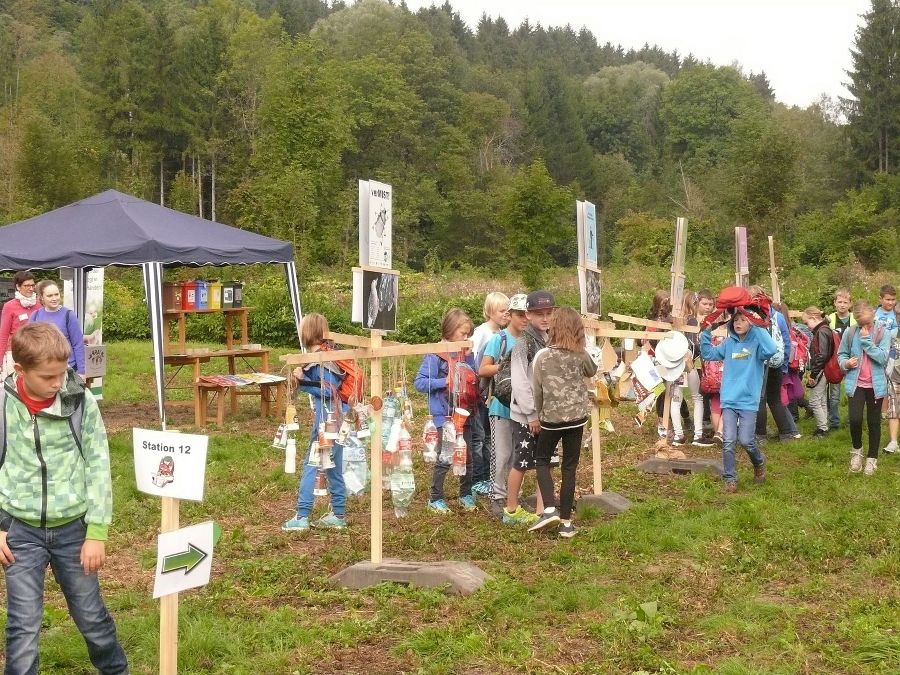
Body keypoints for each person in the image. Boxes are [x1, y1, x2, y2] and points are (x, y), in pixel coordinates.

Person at [0, 322, 128, 673]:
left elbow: (98, 465)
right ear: (20, 369)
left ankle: (116, 670)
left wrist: (97, 532)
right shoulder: (2, 405)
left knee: (91, 617)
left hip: (75, 530)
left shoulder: (80, 402)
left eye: (63, 373)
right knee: (22, 626)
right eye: (47, 377)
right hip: (20, 532)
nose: (58, 384)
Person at [527, 307, 597, 538]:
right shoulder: (580, 354)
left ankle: (549, 508)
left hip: (551, 419)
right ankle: (566, 522)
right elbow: (591, 370)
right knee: (570, 467)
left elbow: (536, 390)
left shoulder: (543, 356)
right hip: (577, 418)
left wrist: (536, 415)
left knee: (542, 459)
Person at [700, 304, 777, 493]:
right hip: (729, 400)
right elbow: (708, 353)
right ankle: (730, 479)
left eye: (743, 320)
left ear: (750, 323)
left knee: (746, 440)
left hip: (748, 400)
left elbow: (772, 350)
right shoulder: (729, 344)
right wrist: (706, 333)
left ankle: (758, 462)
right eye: (736, 320)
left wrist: (758, 326)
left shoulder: (757, 344)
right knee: (728, 442)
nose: (738, 323)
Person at [282, 313, 348, 532]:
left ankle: (302, 515)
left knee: (312, 464)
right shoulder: (331, 355)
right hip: (337, 422)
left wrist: (301, 382)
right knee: (333, 467)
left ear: (307, 332)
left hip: (327, 423)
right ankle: (338, 513)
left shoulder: (322, 359)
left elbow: (329, 390)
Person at [414, 309, 476, 514]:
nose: (466, 338)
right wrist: (444, 381)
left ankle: (466, 493)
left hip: (464, 412)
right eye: (462, 334)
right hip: (444, 415)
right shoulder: (435, 355)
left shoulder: (465, 354)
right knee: (445, 456)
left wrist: (470, 358)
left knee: (467, 454)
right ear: (450, 331)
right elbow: (420, 383)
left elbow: (472, 377)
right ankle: (435, 497)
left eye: (468, 334)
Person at [478, 294, 532, 522]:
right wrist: (508, 367)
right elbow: (483, 369)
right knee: (501, 454)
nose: (525, 319)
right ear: (510, 315)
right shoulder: (498, 340)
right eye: (520, 315)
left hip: (524, 409)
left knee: (518, 456)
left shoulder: (532, 340)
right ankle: (497, 497)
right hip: (500, 407)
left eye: (528, 315)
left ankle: (513, 498)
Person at [506, 291, 555, 523]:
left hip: (547, 414)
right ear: (528, 314)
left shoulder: (551, 339)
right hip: (525, 415)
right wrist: (531, 414)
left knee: (545, 461)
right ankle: (511, 509)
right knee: (523, 461)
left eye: (548, 313)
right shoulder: (522, 343)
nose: (544, 318)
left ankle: (542, 509)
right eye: (539, 314)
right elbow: (519, 381)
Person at [838, 300, 891, 475]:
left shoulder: (883, 332)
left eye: (867, 323)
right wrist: (845, 363)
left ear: (874, 315)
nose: (864, 326)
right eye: (861, 324)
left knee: (874, 422)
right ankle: (857, 451)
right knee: (854, 420)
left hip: (876, 386)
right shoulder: (850, 332)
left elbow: (883, 358)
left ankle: (872, 459)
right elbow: (842, 353)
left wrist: (866, 341)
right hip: (856, 384)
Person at [469, 292, 510, 497]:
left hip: (493, 392)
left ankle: (489, 475)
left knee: (489, 436)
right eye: (502, 311)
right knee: (482, 436)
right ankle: (480, 477)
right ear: (490, 312)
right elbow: (474, 363)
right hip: (480, 392)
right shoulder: (482, 333)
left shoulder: (501, 333)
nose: (506, 315)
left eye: (508, 311)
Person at [749, 285, 798, 442]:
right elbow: (786, 341)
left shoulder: (752, 316)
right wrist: (784, 365)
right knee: (775, 399)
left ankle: (760, 435)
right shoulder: (778, 316)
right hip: (777, 362)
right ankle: (786, 432)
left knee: (760, 399)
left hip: (759, 361)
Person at [670, 292, 713, 447]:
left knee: (676, 400)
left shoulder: (673, 320)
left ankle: (678, 435)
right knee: (697, 398)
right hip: (689, 363)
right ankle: (698, 435)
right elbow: (695, 344)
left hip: (674, 364)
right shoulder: (692, 321)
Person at [30, 280, 86, 378]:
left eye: (56, 294)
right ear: (41, 298)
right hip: (43, 370)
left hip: (67, 370)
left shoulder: (69, 315)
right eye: (50, 296)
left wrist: (81, 371)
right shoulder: (35, 316)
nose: (54, 298)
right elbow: (29, 344)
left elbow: (78, 344)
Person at [802, 307, 834, 439]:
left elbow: (822, 354)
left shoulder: (821, 332)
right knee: (821, 400)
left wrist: (813, 374)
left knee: (815, 401)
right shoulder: (825, 329)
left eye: (806, 323)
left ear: (813, 318)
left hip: (821, 370)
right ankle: (824, 425)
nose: (807, 326)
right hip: (825, 369)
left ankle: (823, 429)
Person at [0, 271, 38, 381]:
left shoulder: (39, 305)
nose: (31, 288)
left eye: (32, 285)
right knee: (16, 387)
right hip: (15, 353)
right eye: (27, 285)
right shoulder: (9, 306)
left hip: (35, 352)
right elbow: (3, 335)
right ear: (18, 286)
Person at [827, 288, 855, 430]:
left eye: (845, 302)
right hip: (834, 361)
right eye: (840, 302)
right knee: (834, 394)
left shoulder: (855, 319)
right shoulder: (830, 319)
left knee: (853, 392)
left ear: (850, 304)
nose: (842, 305)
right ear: (835, 303)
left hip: (852, 360)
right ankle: (834, 422)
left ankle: (853, 420)